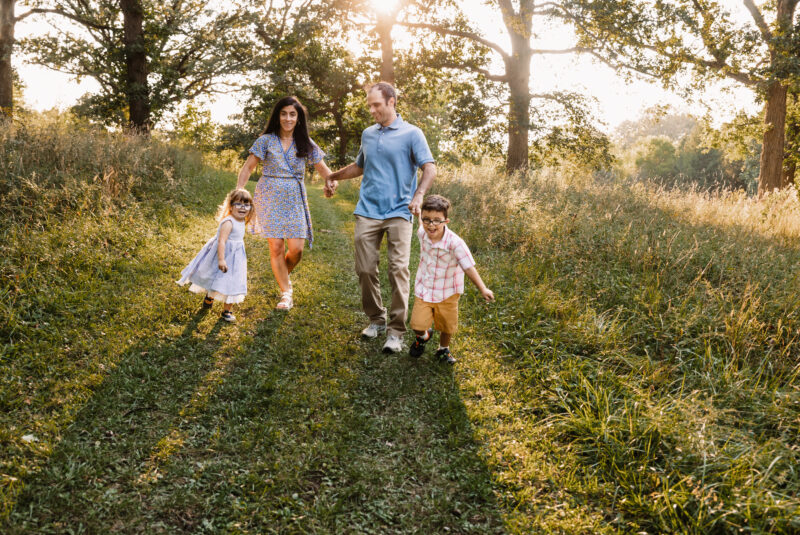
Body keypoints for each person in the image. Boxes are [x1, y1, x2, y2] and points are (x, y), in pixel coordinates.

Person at [326, 82, 436, 353]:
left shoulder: (412, 134)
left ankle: (396, 331)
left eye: (376, 105)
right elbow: (360, 166)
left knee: (398, 269)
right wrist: (333, 176)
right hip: (368, 211)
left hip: (400, 211)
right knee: (364, 269)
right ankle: (376, 319)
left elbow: (429, 168)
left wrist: (419, 195)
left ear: (392, 102)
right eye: (370, 105)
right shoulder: (368, 134)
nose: (372, 110)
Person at [236, 96, 333, 310]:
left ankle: (281, 274)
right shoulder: (266, 141)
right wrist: (240, 189)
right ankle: (286, 292)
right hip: (269, 195)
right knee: (277, 247)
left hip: (295, 198)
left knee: (297, 249)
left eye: (292, 114)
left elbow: (324, 170)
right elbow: (248, 168)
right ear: (277, 116)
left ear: (298, 118)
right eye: (283, 113)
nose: (288, 118)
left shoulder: (305, 143)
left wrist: (331, 182)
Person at [408, 195, 494, 364]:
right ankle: (424, 337)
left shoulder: (455, 243)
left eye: (436, 221)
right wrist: (419, 214)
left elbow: (468, 267)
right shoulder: (422, 233)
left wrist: (483, 288)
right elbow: (420, 223)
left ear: (446, 221)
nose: (431, 225)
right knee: (417, 325)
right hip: (424, 289)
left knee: (447, 325)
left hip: (448, 292)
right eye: (427, 220)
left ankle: (443, 349)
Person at [177, 188, 253, 322]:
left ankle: (226, 310)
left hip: (236, 257)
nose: (243, 208)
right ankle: (210, 297)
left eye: (246, 204)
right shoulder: (228, 222)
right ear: (230, 206)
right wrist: (221, 259)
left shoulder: (242, 220)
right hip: (223, 254)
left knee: (232, 282)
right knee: (215, 277)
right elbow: (222, 242)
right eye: (239, 204)